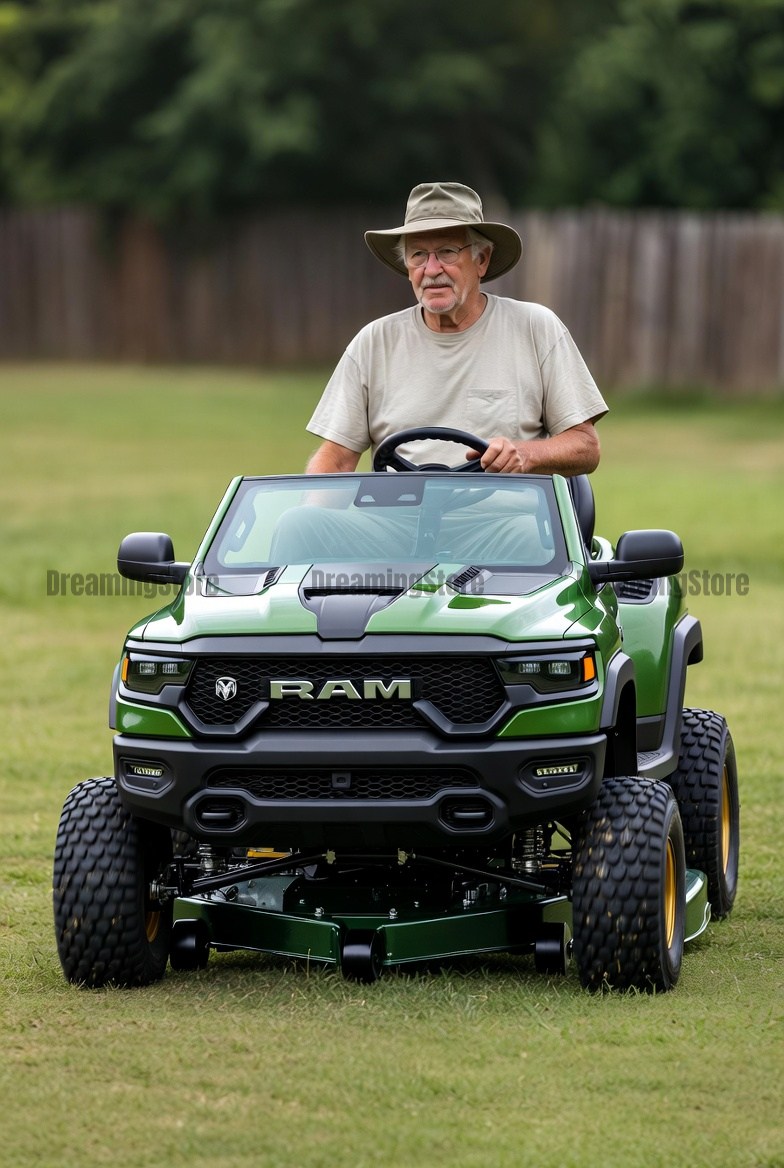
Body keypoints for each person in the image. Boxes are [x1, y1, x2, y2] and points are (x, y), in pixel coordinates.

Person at [305, 181, 608, 476]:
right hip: (398, 524)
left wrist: (525, 454)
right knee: (297, 522)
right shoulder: (374, 342)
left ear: (482, 260)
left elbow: (585, 446)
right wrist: (310, 513)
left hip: (506, 523)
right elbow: (336, 459)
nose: (432, 269)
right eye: (418, 254)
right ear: (408, 266)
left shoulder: (535, 327)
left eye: (447, 252)